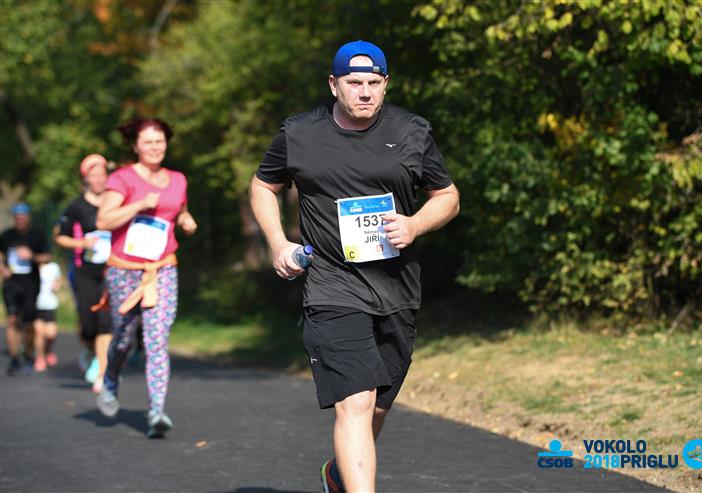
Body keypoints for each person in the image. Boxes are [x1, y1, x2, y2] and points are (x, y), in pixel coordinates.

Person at [249, 40, 460, 492]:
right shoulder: (299, 134)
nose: (364, 92)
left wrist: (414, 224)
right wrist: (277, 243)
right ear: (334, 85)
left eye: (373, 83)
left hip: (397, 288)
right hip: (332, 286)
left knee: (377, 405)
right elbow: (263, 186)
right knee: (356, 402)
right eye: (353, 82)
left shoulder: (411, 131)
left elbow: (447, 197)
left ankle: (338, 474)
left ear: (385, 84)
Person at [95, 118, 197, 439]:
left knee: (157, 338)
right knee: (123, 339)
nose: (155, 147)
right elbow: (103, 220)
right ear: (135, 145)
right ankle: (110, 379)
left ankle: (156, 411)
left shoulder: (178, 179)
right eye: (148, 142)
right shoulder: (122, 178)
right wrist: (139, 204)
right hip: (124, 269)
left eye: (160, 141)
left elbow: (178, 210)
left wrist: (186, 219)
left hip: (162, 268)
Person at [56, 154, 113, 392]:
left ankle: (102, 372)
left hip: (111, 270)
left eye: (102, 174)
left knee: (106, 322)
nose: (98, 179)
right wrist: (82, 244)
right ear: (86, 179)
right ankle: (90, 349)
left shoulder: (115, 201)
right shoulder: (76, 206)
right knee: (88, 324)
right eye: (93, 175)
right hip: (84, 271)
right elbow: (61, 237)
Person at [1, 203, 52, 375]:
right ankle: (14, 358)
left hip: (30, 284)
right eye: (17, 217)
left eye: (23, 216)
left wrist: (32, 256)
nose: (20, 220)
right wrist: (3, 268)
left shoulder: (37, 235)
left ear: (29, 217)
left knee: (29, 323)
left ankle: (28, 354)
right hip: (11, 283)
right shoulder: (7, 235)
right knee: (12, 319)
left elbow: (47, 257)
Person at [33, 259, 62, 372]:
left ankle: (48, 350)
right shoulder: (33, 266)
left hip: (50, 304)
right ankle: (40, 357)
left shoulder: (54, 266)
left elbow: (59, 280)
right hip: (36, 304)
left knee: (51, 334)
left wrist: (57, 285)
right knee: (39, 332)